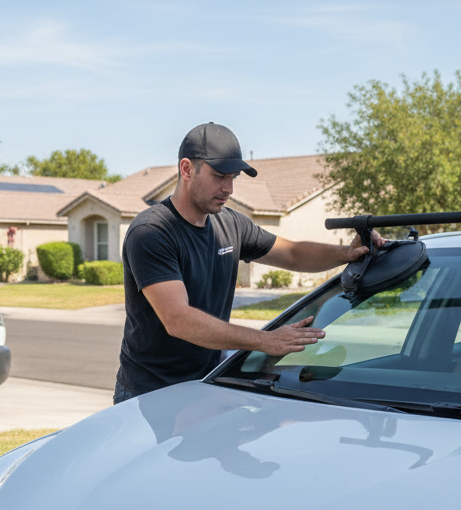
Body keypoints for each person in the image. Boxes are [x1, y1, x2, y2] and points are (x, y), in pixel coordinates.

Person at [115, 122, 382, 404]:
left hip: (205, 383)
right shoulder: (152, 232)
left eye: (233, 178)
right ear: (186, 169)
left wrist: (347, 253)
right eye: (219, 176)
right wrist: (266, 341)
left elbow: (291, 253)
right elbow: (178, 320)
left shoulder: (230, 223)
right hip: (149, 392)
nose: (228, 188)